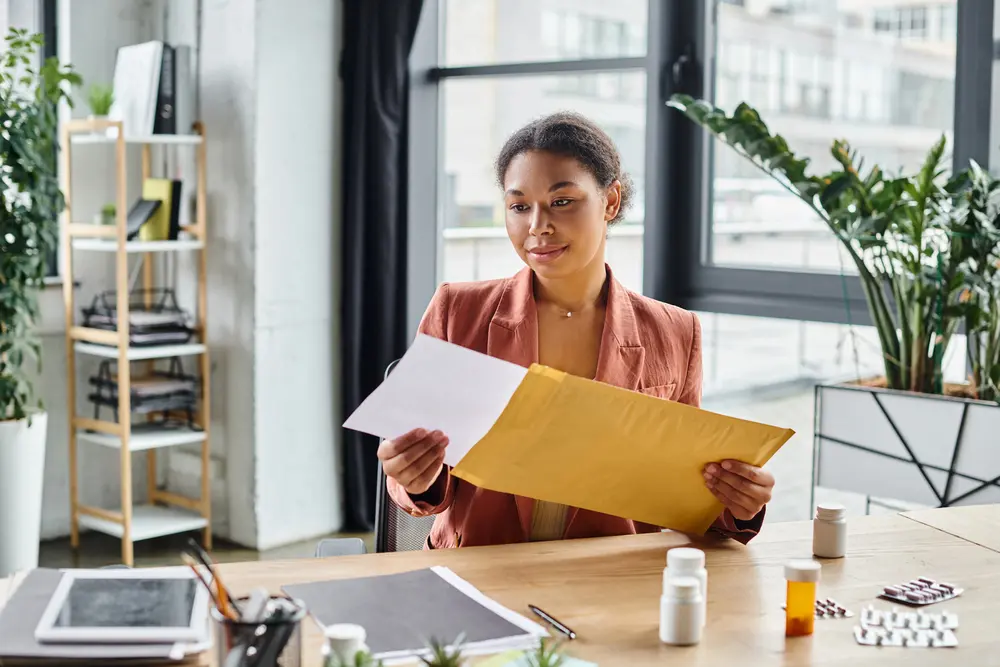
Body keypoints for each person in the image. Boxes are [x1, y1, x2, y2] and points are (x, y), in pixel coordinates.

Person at [378, 112, 774, 549]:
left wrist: (738, 504)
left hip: (609, 571)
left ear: (610, 201)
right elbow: (414, 476)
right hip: (479, 564)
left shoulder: (676, 331)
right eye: (519, 206)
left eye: (562, 201)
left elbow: (687, 493)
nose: (537, 226)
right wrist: (415, 478)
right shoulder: (457, 311)